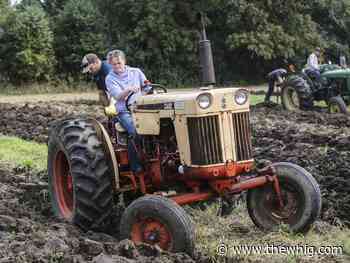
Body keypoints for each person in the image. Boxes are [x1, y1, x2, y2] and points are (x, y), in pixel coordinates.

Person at [105, 49, 147, 174]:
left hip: (142, 108)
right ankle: (135, 166)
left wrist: (144, 93)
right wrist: (129, 89)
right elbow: (119, 96)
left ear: (124, 61)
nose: (117, 66)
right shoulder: (109, 78)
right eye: (114, 64)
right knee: (135, 131)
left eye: (119, 63)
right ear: (110, 65)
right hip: (124, 111)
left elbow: (147, 87)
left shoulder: (136, 72)